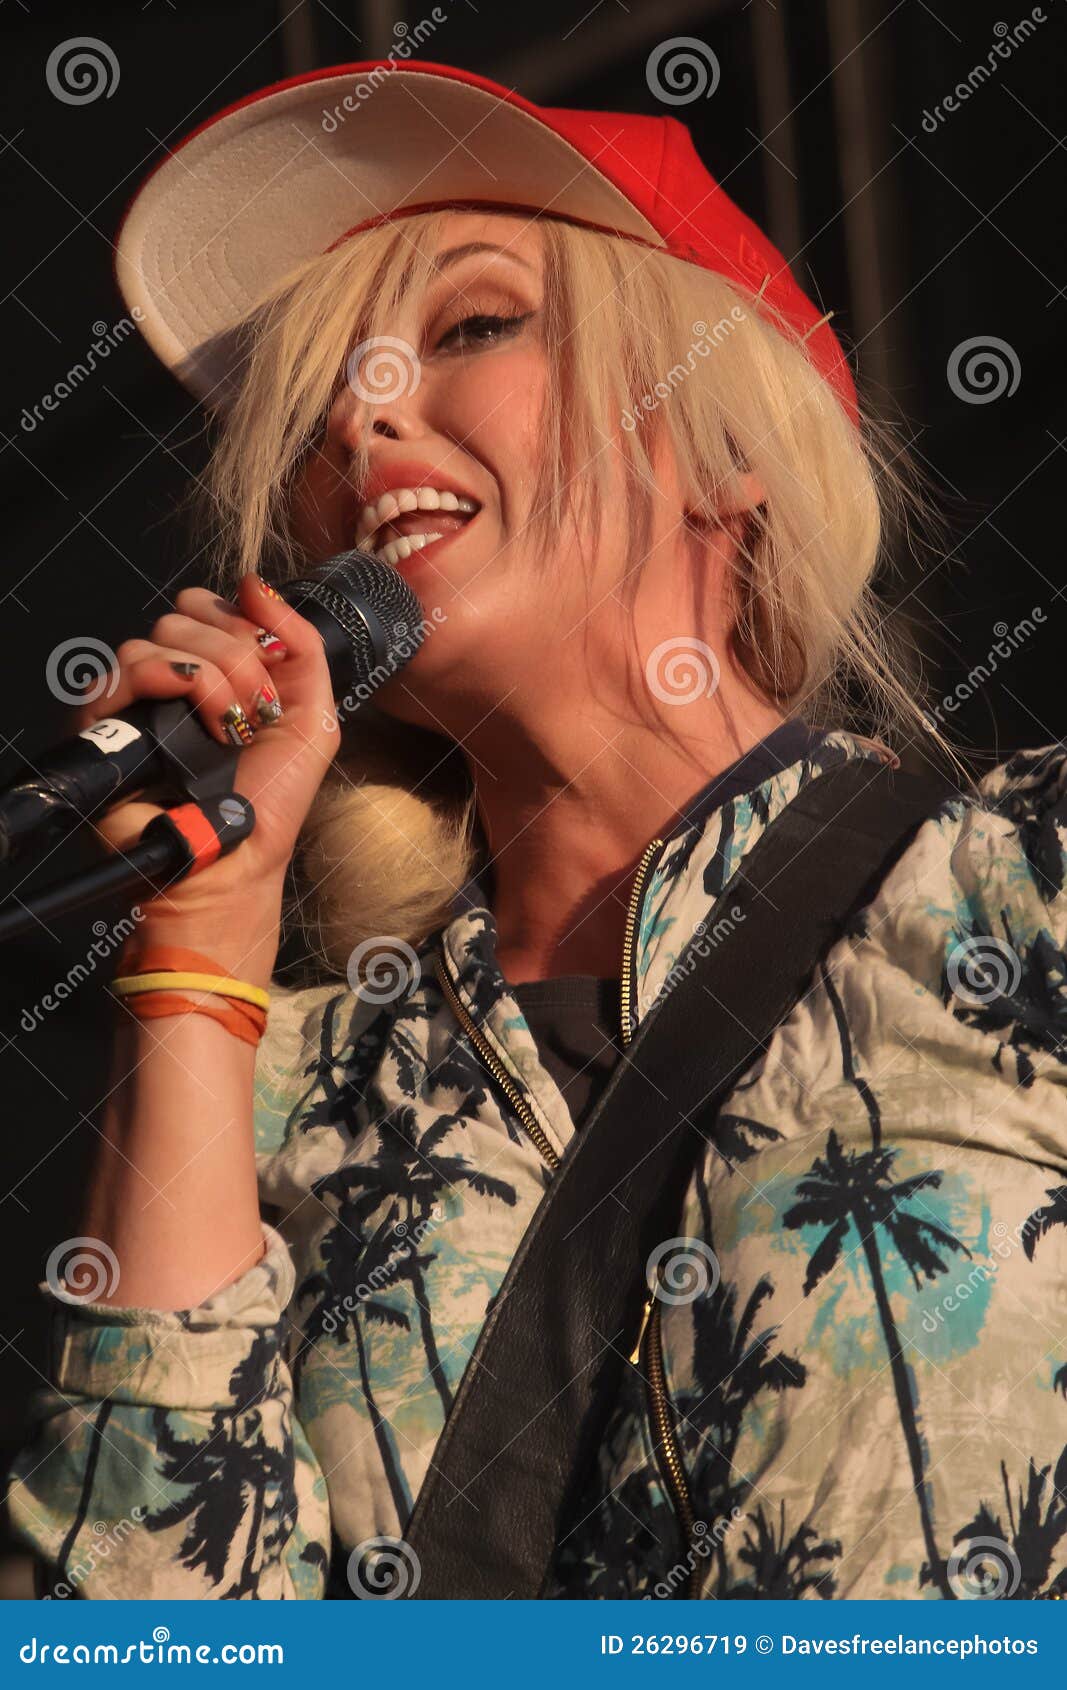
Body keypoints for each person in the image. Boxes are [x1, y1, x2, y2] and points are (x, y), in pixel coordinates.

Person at [5, 60, 1066, 1603]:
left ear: (724, 443)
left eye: (474, 325)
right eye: (312, 409)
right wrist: (197, 956)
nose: (361, 424)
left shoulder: (1013, 889)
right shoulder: (288, 1093)